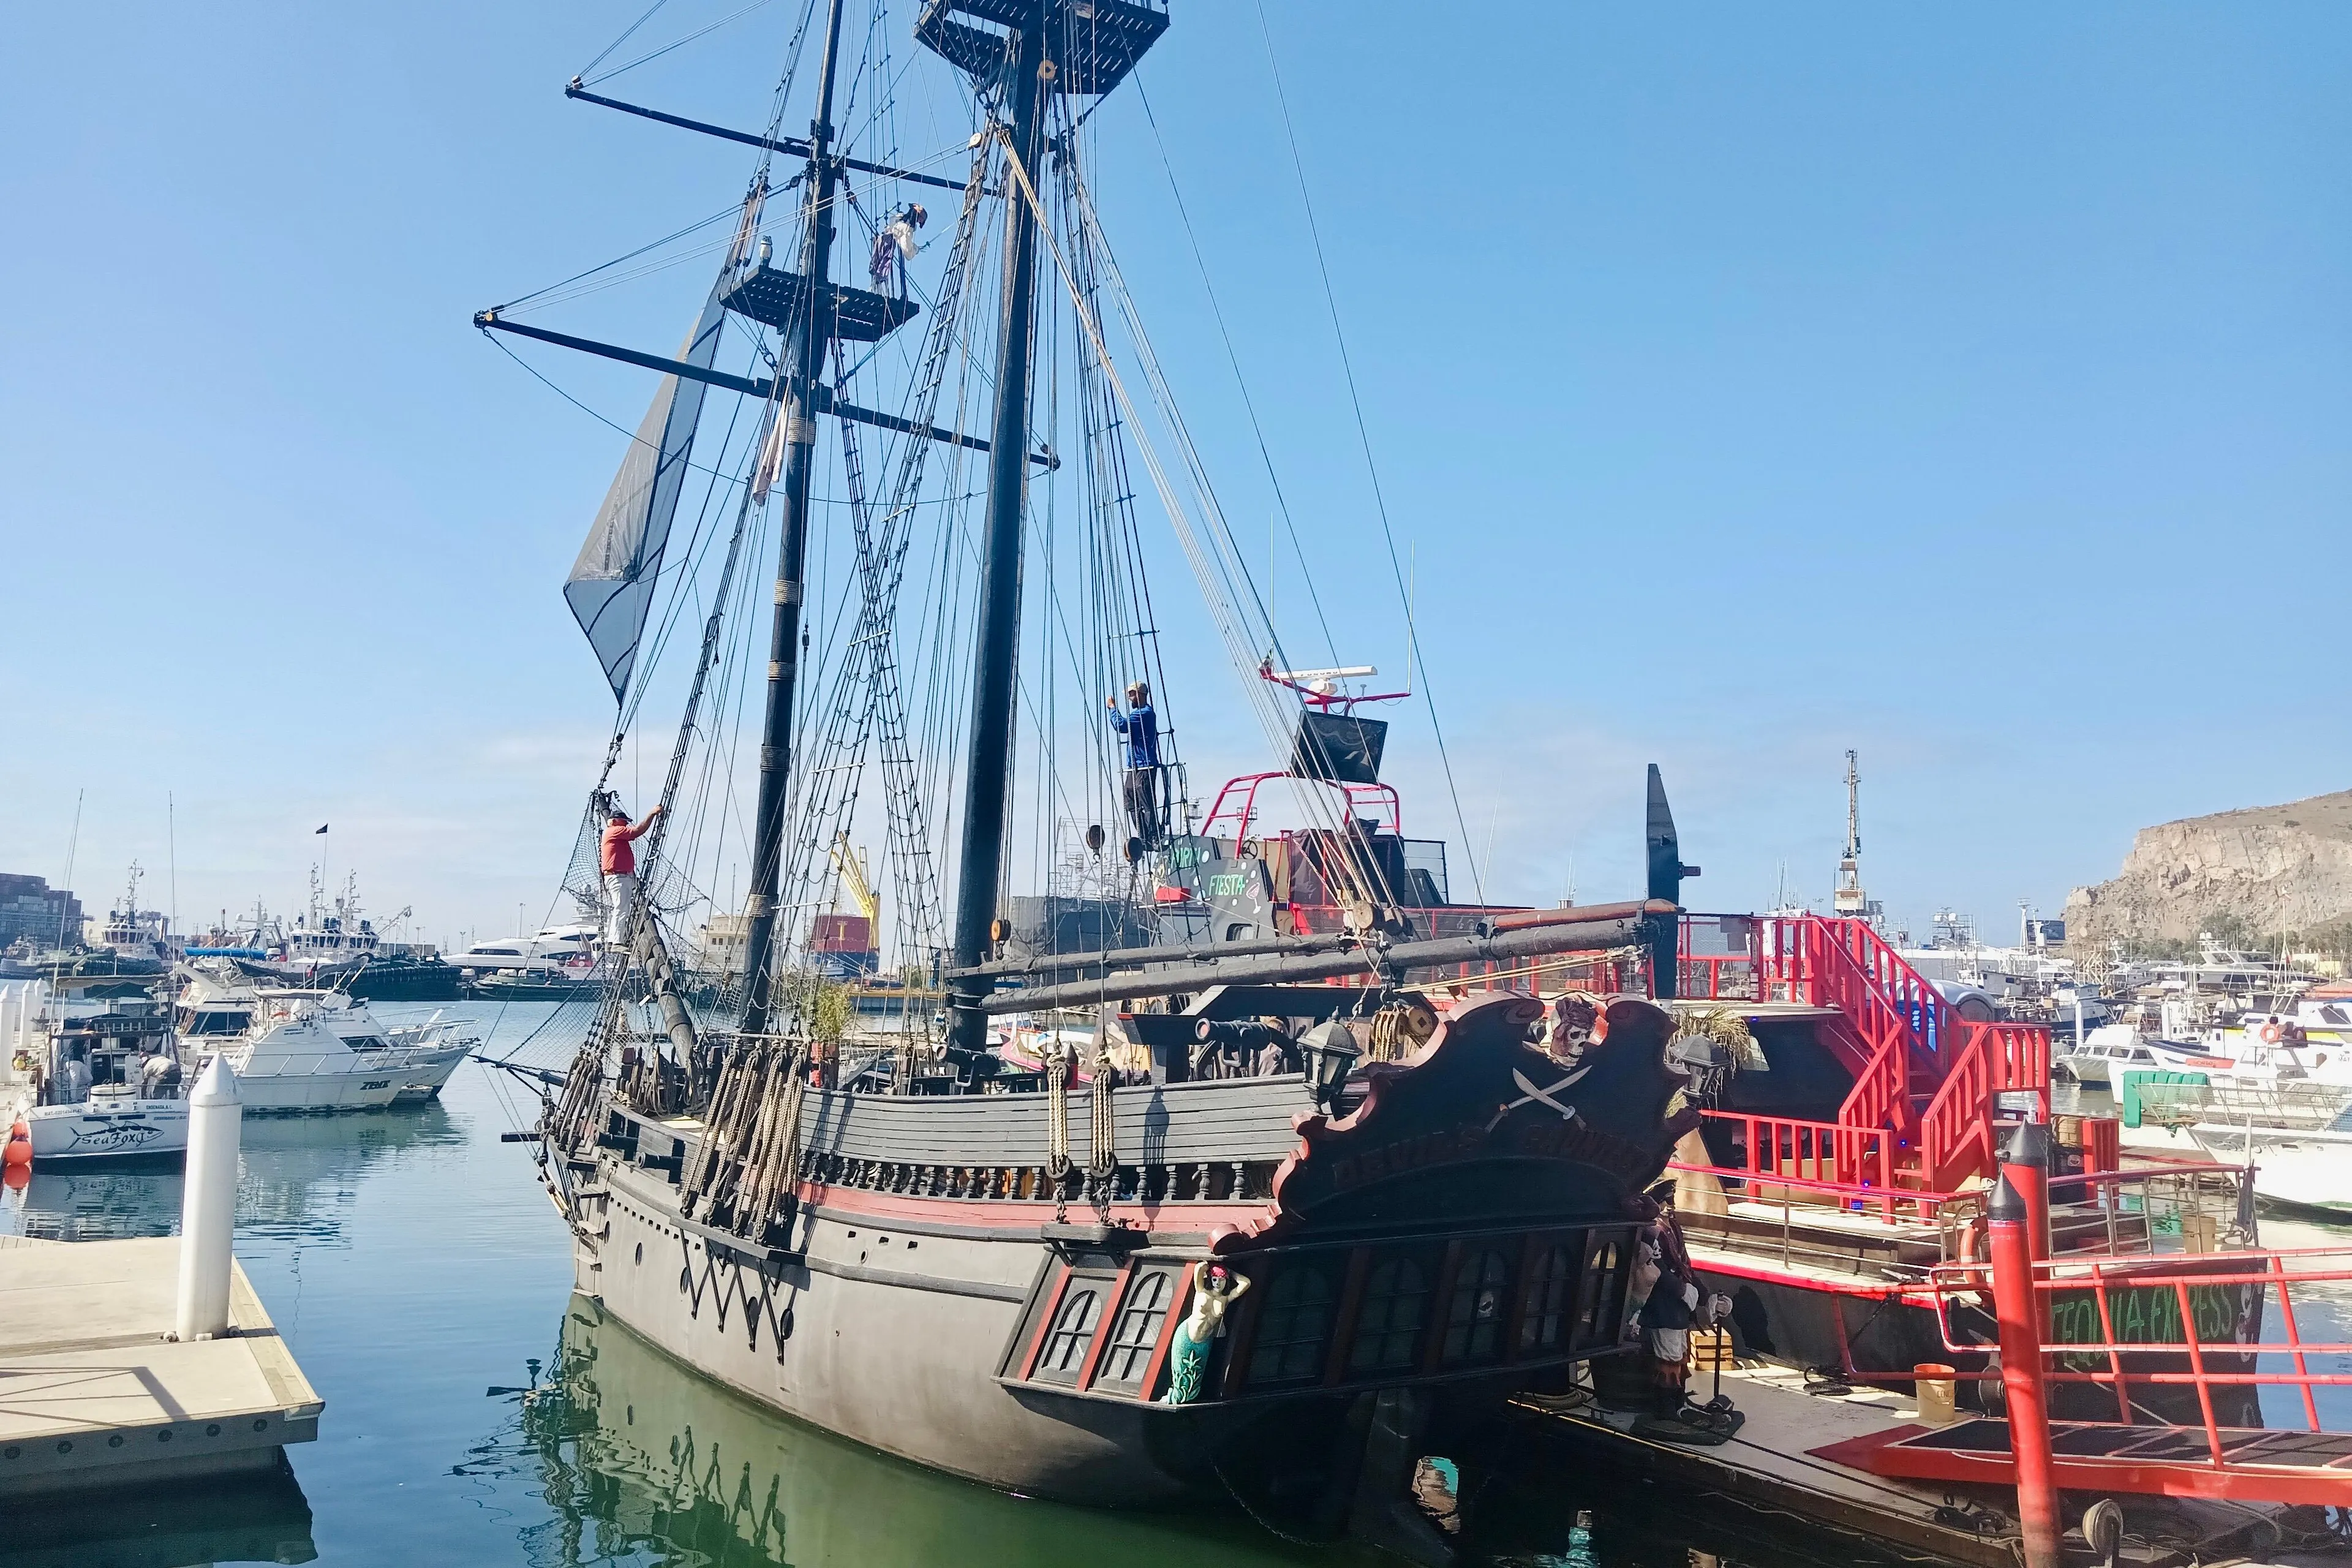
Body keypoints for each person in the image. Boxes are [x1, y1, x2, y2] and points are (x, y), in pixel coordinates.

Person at [1105, 680, 1161, 848]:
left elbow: (1121, 725)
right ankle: (1143, 836)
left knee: (1146, 800)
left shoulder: (1144, 714)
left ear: (1140, 695)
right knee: (1130, 799)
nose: (1130, 699)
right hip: (1134, 766)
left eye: (1131, 695)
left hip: (1145, 766)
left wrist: (1112, 709)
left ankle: (1154, 836)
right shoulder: (1139, 714)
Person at [601, 802, 664, 951]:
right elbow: (636, 831)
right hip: (618, 877)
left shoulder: (615, 833)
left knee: (622, 908)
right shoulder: (613, 831)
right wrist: (652, 813)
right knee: (621, 908)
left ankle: (613, 940)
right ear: (614, 821)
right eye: (623, 822)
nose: (625, 825)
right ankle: (616, 943)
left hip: (622, 877)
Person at [869, 203, 927, 295]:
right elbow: (907, 250)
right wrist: (916, 250)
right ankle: (878, 278)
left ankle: (876, 278)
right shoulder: (908, 229)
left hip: (882, 240)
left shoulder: (898, 218)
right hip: (888, 243)